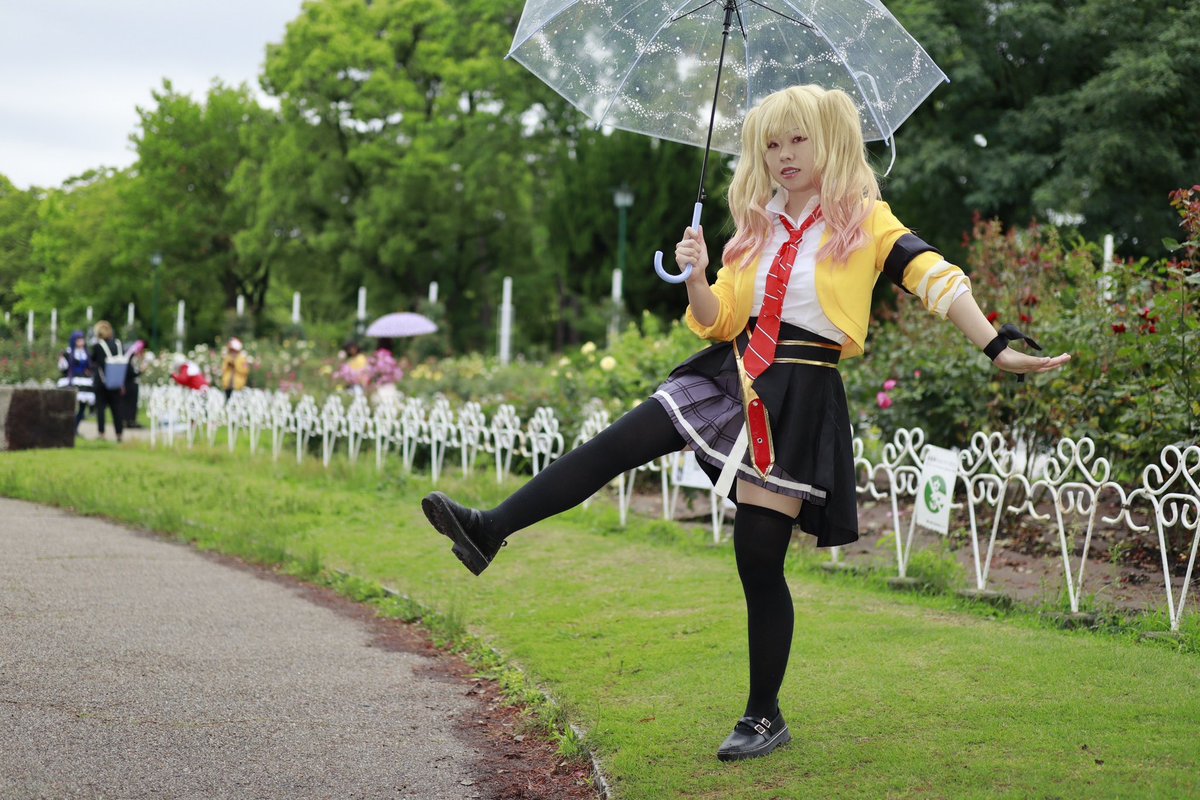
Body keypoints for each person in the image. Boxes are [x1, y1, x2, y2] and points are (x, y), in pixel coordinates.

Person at [420, 84, 1070, 762]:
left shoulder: (865, 220)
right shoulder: (755, 228)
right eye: (772, 143)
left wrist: (996, 347)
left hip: (800, 392)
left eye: (798, 139)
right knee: (618, 442)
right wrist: (697, 275)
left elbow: (936, 277)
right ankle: (489, 529)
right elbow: (718, 318)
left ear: (829, 141)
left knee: (758, 559)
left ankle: (764, 717)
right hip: (732, 371)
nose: (784, 155)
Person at [89, 321, 126, 442]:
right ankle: (119, 434)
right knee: (117, 409)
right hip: (116, 381)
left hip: (101, 382)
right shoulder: (118, 344)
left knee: (101, 408)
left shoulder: (98, 346)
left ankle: (101, 433)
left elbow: (93, 361)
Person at [57, 330, 94, 435]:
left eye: (82, 339)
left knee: (82, 406)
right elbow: (63, 368)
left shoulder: (87, 353)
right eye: (79, 340)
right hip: (71, 380)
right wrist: (61, 359)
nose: (81, 342)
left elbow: (91, 367)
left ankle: (75, 427)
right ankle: (68, 427)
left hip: (84, 382)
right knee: (70, 405)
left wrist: (89, 371)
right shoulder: (68, 353)